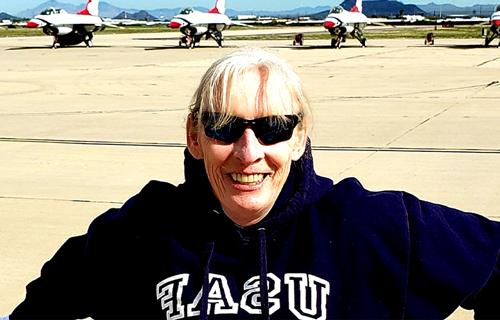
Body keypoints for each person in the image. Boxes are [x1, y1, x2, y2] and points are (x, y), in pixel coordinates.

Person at [8, 48, 499, 319]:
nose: (248, 153)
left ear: (300, 138)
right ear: (194, 137)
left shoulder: (378, 226)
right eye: (223, 127)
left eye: (273, 128)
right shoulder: (136, 233)